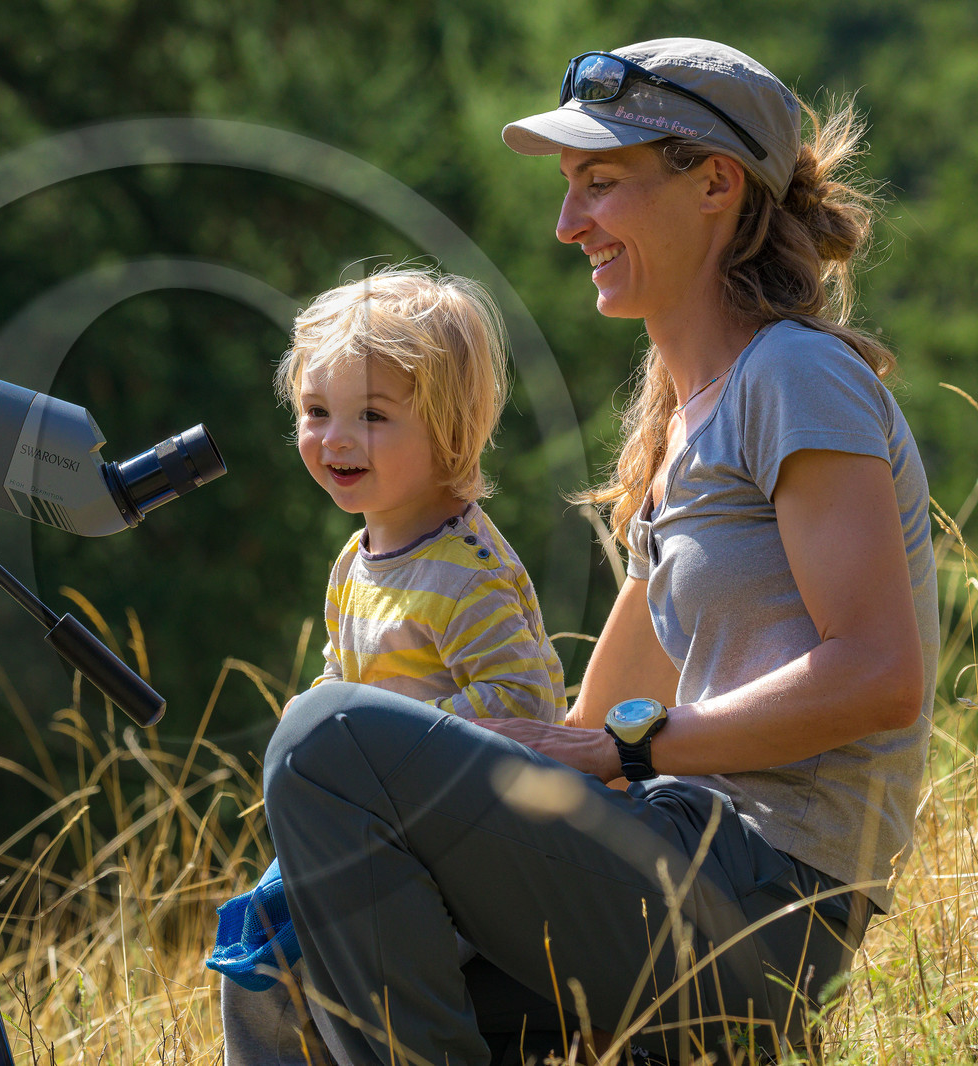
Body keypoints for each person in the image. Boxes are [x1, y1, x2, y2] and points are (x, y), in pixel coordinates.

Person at [260, 39, 935, 1066]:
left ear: (714, 183)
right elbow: (572, 734)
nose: (567, 223)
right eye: (570, 187)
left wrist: (628, 747)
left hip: (759, 900)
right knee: (285, 961)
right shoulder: (679, 428)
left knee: (323, 737)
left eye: (601, 184)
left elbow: (878, 674)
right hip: (663, 862)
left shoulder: (795, 376)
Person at [212, 268, 567, 1064]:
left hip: (457, 847)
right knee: (256, 961)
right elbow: (343, 676)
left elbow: (527, 703)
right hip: (375, 830)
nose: (334, 438)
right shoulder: (357, 560)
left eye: (371, 416)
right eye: (315, 412)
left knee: (322, 967)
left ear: (448, 429)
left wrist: (396, 747)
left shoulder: (462, 571)